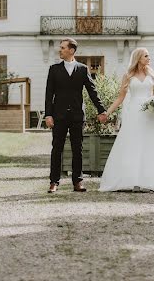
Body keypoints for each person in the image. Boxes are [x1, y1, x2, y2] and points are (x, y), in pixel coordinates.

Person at [99, 48, 154, 193]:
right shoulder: (128, 75)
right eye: (146, 56)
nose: (149, 58)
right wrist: (107, 113)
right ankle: (131, 180)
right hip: (134, 113)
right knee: (133, 145)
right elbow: (121, 98)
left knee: (151, 145)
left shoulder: (151, 74)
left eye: (149, 56)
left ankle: (150, 180)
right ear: (138, 58)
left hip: (149, 114)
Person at [45, 38, 107, 193]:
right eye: (60, 47)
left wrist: (101, 110)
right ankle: (54, 182)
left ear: (71, 50)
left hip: (77, 116)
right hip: (58, 116)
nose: (60, 50)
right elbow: (48, 94)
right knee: (56, 149)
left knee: (77, 149)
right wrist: (48, 115)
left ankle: (78, 182)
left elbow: (92, 91)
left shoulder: (82, 69)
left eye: (63, 48)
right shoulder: (54, 69)